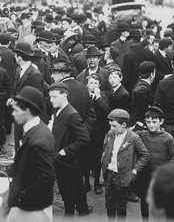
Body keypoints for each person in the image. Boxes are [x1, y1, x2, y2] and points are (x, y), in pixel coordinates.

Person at [7, 86, 56, 222]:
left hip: (32, 209)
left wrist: (22, 196)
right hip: (31, 205)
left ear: (27, 111)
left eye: (16, 110)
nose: (13, 114)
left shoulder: (37, 140)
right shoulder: (40, 129)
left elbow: (47, 177)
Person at [48, 83, 93, 216]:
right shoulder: (58, 110)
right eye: (50, 97)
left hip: (67, 161)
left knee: (67, 193)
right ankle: (82, 209)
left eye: (54, 97)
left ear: (64, 96)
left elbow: (84, 138)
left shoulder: (72, 114)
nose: (51, 100)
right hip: (65, 160)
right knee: (77, 185)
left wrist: (65, 151)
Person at [101, 109, 150, 221]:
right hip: (109, 174)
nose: (111, 129)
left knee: (121, 205)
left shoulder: (133, 138)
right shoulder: (110, 134)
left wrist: (135, 170)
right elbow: (106, 149)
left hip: (122, 176)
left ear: (124, 124)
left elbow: (145, 155)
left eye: (114, 126)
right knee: (109, 203)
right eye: (110, 126)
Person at [133, 106, 174, 220]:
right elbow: (127, 133)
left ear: (161, 121)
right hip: (145, 175)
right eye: (148, 122)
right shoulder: (142, 134)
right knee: (144, 200)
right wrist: (134, 127)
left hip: (159, 176)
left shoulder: (167, 138)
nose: (151, 125)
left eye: (154, 121)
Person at [7, 42, 45, 149]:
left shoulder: (35, 75)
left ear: (19, 57)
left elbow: (37, 100)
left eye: (15, 55)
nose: (14, 57)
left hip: (28, 117)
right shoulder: (19, 70)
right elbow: (15, 88)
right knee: (18, 142)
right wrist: (12, 98)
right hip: (20, 114)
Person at [86, 73, 110, 195]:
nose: (93, 85)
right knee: (86, 156)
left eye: (96, 83)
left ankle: (96, 182)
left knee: (97, 158)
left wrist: (98, 97)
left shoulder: (103, 96)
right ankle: (86, 182)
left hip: (98, 131)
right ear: (87, 84)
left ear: (99, 85)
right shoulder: (84, 95)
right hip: (86, 131)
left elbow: (106, 110)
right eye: (91, 83)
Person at [121, 29, 154, 96]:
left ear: (131, 41)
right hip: (147, 89)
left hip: (132, 91)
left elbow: (126, 77)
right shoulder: (149, 53)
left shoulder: (128, 55)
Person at [130, 61, 156, 127]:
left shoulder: (141, 84)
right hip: (139, 124)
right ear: (152, 74)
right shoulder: (143, 87)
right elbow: (139, 91)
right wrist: (148, 108)